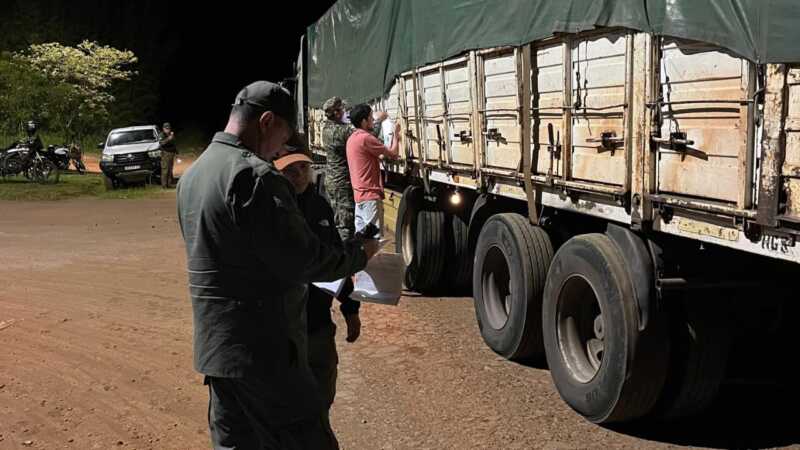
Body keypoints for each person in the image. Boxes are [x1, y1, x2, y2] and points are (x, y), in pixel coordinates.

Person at [176, 81, 379, 449]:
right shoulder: (254, 176)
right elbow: (303, 260)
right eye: (283, 136)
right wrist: (359, 253)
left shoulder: (194, 175)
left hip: (218, 353)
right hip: (265, 354)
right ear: (267, 122)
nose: (277, 151)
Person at [274, 134, 362, 430]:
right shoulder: (271, 210)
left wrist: (350, 308)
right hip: (283, 330)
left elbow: (335, 258)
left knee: (322, 396)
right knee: (288, 405)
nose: (297, 175)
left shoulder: (320, 205)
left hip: (318, 324)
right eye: (289, 169)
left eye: (302, 167)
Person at [345, 103, 401, 238]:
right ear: (364, 121)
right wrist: (396, 135)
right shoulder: (366, 138)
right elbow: (393, 153)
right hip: (370, 195)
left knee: (361, 239)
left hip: (359, 196)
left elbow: (371, 156)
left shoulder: (352, 139)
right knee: (374, 240)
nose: (372, 120)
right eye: (371, 117)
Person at [321, 96, 357, 241]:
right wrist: (378, 121)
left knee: (337, 220)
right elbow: (364, 137)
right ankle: (346, 257)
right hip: (341, 183)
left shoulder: (326, 129)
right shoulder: (341, 131)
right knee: (346, 224)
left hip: (332, 180)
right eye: (342, 109)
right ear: (336, 113)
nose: (345, 112)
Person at [159, 122, 178, 188]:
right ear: (163, 128)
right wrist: (168, 139)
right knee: (165, 170)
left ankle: (169, 184)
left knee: (170, 169)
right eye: (166, 128)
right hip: (165, 153)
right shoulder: (161, 135)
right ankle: (164, 185)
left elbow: (173, 143)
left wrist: (176, 152)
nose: (168, 130)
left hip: (171, 153)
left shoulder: (170, 134)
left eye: (169, 128)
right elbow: (161, 143)